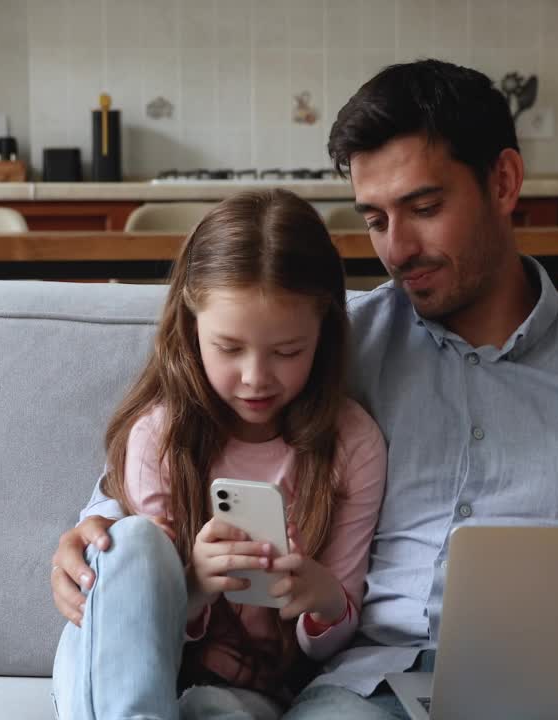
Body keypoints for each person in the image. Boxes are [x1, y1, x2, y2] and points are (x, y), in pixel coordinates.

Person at [52, 60, 558, 719]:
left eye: (424, 208)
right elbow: (192, 438)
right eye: (375, 219)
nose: (398, 249)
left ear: (504, 181)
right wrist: (99, 525)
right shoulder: (330, 353)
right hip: (366, 692)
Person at [51, 189, 388, 719]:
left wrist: (321, 596)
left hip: (247, 689)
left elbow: (333, 644)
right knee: (134, 540)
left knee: (219, 710)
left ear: (323, 334)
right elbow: (133, 607)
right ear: (191, 326)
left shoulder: (352, 445)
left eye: (287, 351)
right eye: (229, 348)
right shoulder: (160, 435)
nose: (256, 377)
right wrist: (193, 586)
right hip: (134, 660)